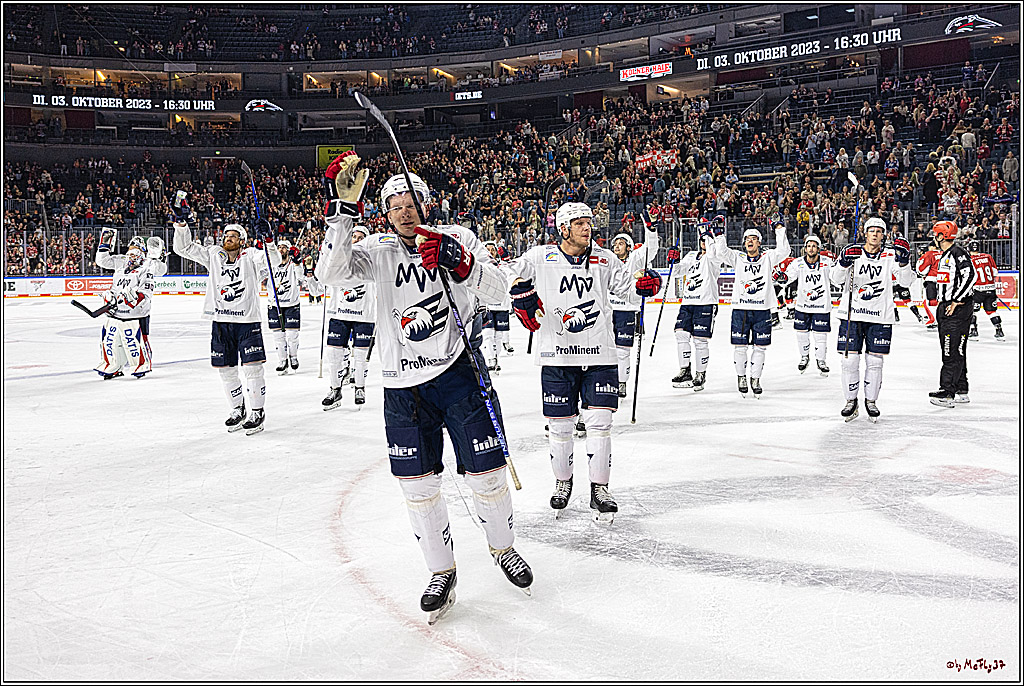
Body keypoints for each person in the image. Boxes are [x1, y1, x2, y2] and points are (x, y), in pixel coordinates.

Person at [314, 152, 532, 623]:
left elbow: (500, 291)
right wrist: (342, 214)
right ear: (385, 214)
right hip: (402, 386)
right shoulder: (376, 249)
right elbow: (327, 274)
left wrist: (461, 263)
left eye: (410, 203)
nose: (402, 212)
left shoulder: (458, 238)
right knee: (418, 487)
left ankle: (503, 547)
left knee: (487, 474)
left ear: (426, 205)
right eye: (393, 206)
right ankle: (441, 571)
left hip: (459, 373)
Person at [508, 201, 660, 521]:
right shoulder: (540, 257)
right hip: (556, 355)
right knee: (560, 427)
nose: (587, 227)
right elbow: (507, 274)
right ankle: (563, 482)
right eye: (579, 223)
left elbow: (628, 291)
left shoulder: (605, 259)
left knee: (600, 425)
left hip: (600, 354)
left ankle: (600, 489)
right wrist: (519, 294)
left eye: (588, 221)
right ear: (563, 228)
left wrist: (646, 285)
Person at [172, 191, 278, 435]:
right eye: (226, 235)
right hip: (220, 321)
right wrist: (181, 223)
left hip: (247, 322)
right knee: (226, 369)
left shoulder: (251, 256)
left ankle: (257, 412)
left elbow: (272, 260)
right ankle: (237, 409)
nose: (227, 238)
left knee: (252, 369)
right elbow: (183, 248)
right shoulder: (213, 254)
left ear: (243, 240)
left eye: (233, 236)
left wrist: (269, 239)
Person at [830, 217, 913, 421]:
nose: (875, 234)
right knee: (849, 361)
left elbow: (906, 281)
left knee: (875, 361)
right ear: (865, 233)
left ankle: (871, 401)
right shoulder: (853, 252)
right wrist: (843, 262)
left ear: (883, 235)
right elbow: (835, 279)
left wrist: (904, 261)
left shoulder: (890, 255)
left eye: (879, 231)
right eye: (871, 230)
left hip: (880, 316)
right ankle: (851, 401)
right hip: (852, 315)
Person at [718, 219, 791, 397]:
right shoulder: (738, 258)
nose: (750, 241)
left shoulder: (768, 257)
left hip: (762, 310)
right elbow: (722, 252)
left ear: (759, 243)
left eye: (753, 238)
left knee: (760, 347)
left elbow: (784, 251)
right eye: (747, 239)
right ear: (744, 243)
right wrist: (719, 233)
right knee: (740, 347)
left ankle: (755, 378)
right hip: (740, 309)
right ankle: (741, 377)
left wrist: (779, 229)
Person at [321, 225, 376, 409]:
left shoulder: (372, 258)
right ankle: (335, 390)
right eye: (354, 236)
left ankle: (360, 387)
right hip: (339, 313)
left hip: (364, 314)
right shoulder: (339, 256)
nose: (357, 239)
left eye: (361, 237)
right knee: (334, 354)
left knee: (361, 356)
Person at [93, 230, 156, 379]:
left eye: (136, 252)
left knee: (135, 340)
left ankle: (140, 364)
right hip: (117, 313)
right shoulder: (121, 267)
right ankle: (112, 365)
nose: (131, 256)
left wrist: (134, 298)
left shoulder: (148, 266)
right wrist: (109, 298)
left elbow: (146, 292)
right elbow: (114, 286)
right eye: (130, 252)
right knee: (111, 340)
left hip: (136, 314)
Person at [608, 210, 659, 397]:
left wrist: (650, 229)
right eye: (615, 244)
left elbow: (651, 249)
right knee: (605, 350)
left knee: (622, 351)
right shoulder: (608, 261)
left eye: (620, 243)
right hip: (607, 311)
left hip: (627, 311)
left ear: (629, 247)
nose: (616, 246)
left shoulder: (636, 258)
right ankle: (607, 380)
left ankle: (622, 382)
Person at [670, 217, 724, 391]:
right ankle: (685, 370)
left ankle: (701, 373)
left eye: (705, 239)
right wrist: (673, 260)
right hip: (688, 302)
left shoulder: (714, 257)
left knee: (700, 340)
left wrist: (707, 233)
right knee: (681, 334)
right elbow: (677, 271)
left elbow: (712, 253)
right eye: (701, 239)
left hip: (706, 302)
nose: (703, 241)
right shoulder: (692, 255)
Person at [928, 221, 977, 407]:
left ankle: (947, 391)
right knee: (956, 349)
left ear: (942, 236)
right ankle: (961, 388)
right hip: (946, 307)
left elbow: (970, 275)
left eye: (936, 234)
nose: (934, 237)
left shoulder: (958, 252)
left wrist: (957, 299)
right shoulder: (945, 255)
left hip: (956, 308)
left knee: (951, 349)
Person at [780, 234, 833, 376]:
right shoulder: (797, 263)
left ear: (818, 249)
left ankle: (821, 360)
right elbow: (788, 277)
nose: (811, 249)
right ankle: (804, 357)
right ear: (805, 248)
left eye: (814, 246)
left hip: (822, 306)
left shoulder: (827, 262)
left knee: (820, 336)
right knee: (801, 334)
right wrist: (782, 277)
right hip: (803, 306)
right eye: (809, 246)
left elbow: (836, 276)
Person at [267, 239, 308, 375]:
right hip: (274, 304)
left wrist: (297, 261)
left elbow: (300, 278)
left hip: (291, 304)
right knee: (278, 336)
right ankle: (282, 361)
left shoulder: (293, 265)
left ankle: (293, 357)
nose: (281, 249)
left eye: (284, 247)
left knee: (292, 335)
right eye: (279, 247)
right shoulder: (271, 264)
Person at [480, 240, 513, 373]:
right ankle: (490, 359)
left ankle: (496, 358)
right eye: (488, 250)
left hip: (502, 306)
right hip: (487, 306)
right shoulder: (481, 266)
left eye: (492, 250)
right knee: (488, 334)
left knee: (498, 336)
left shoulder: (503, 266)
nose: (490, 252)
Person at [967, 239, 1004, 341]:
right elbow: (995, 272)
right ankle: (999, 330)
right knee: (992, 311)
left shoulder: (970, 260)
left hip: (977, 290)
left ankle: (973, 331)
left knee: (972, 311)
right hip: (991, 289)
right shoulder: (988, 257)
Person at [916, 237, 941, 329]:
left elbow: (922, 270)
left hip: (932, 279)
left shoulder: (929, 254)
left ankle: (933, 320)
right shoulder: (944, 253)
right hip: (944, 280)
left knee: (928, 301)